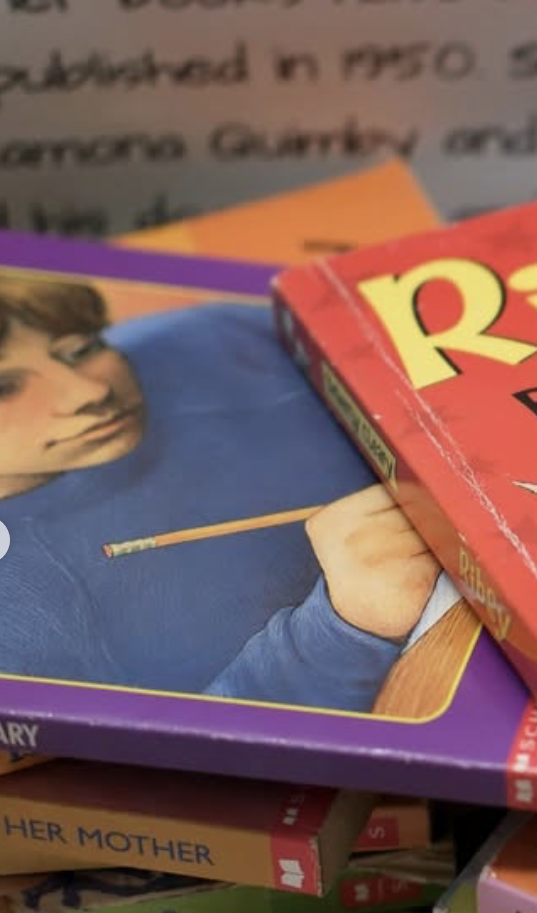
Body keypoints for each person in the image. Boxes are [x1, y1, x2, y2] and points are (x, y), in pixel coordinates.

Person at [0, 273, 440, 712]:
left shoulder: (207, 336)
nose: (90, 392)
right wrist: (344, 628)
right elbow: (170, 746)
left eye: (80, 351)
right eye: (5, 388)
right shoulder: (18, 620)